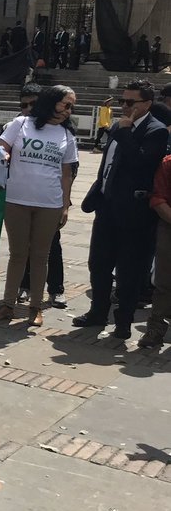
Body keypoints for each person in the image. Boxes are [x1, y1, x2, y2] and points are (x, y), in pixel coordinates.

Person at [74, 80, 169, 339]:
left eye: (131, 102)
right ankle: (97, 312)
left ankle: (123, 322)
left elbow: (141, 163)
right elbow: (109, 164)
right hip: (107, 207)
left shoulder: (156, 131)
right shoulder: (118, 126)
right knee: (99, 263)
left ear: (147, 104)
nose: (125, 107)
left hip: (134, 214)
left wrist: (126, 132)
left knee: (129, 270)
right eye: (122, 101)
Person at [0, 85, 78, 327]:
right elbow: (1, 149)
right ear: (51, 101)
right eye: (65, 104)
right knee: (17, 254)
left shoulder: (67, 135)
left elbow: (66, 173)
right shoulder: (20, 124)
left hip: (49, 203)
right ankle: (8, 304)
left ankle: (35, 307)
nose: (68, 111)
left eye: (71, 107)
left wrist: (65, 205)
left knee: (40, 256)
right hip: (16, 200)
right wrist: (0, 155)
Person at [138, 153, 171, 350]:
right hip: (169, 225)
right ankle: (156, 328)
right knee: (164, 282)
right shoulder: (168, 163)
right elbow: (158, 198)